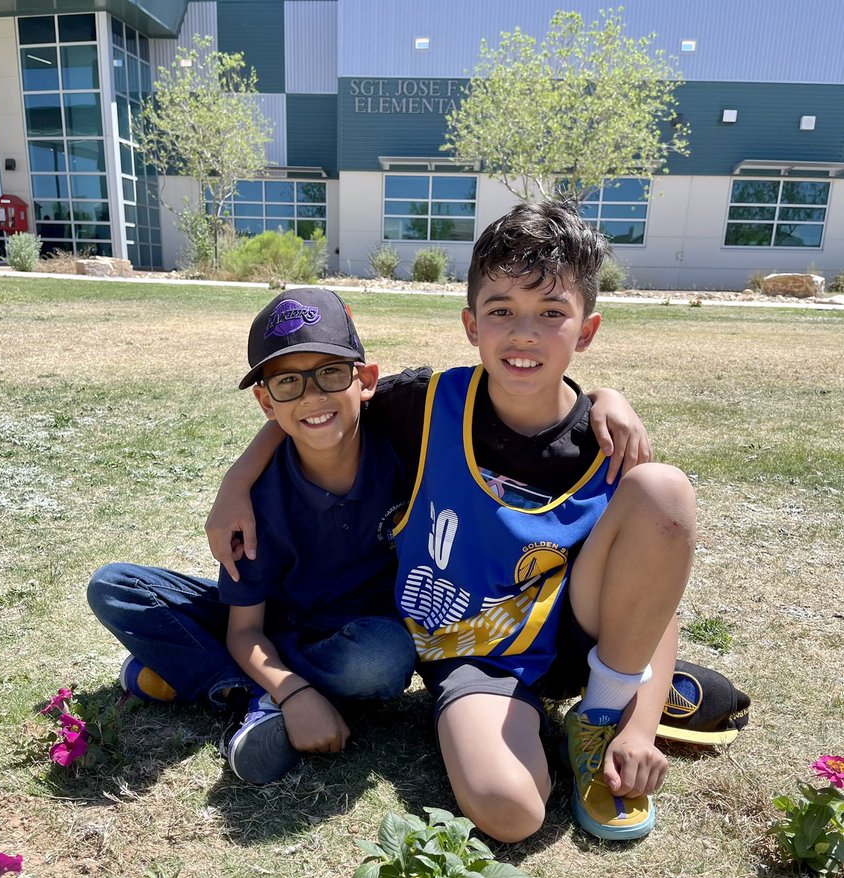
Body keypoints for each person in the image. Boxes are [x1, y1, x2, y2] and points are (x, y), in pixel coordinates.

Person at [206, 201, 694, 844]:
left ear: (587, 330)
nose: (524, 334)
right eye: (501, 311)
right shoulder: (426, 403)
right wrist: (237, 480)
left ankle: (599, 714)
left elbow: (657, 597)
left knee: (663, 489)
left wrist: (637, 724)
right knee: (511, 813)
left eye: (551, 313)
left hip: (577, 632)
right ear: (471, 324)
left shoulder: (606, 439)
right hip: (472, 654)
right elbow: (318, 405)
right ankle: (538, 729)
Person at [88, 289, 417, 784]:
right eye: (288, 382)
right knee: (114, 586)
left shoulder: (406, 437)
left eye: (330, 372)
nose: (312, 396)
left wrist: (580, 404)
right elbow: (246, 630)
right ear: (265, 401)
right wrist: (294, 691)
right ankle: (256, 695)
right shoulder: (259, 501)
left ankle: (197, 672)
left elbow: (493, 400)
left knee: (384, 659)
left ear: (365, 379)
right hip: (269, 622)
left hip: (353, 636)